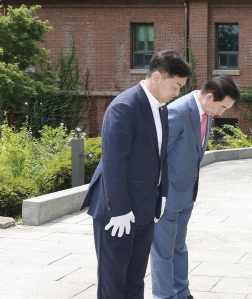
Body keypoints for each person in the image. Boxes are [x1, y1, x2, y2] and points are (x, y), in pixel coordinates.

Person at [81, 50, 191, 299]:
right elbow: (114, 164)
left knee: (135, 280)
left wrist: (162, 196)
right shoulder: (124, 107)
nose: (177, 93)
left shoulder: (161, 109)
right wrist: (119, 210)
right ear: (157, 77)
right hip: (116, 211)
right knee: (113, 283)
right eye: (175, 86)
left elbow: (161, 156)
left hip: (145, 208)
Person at [151, 75, 241, 299]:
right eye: (222, 107)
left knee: (179, 247)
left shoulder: (205, 113)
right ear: (209, 97)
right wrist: (157, 194)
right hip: (167, 195)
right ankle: (164, 296)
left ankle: (182, 292)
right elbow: (156, 156)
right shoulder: (177, 111)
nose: (222, 113)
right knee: (163, 251)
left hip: (187, 194)